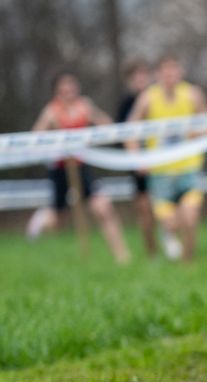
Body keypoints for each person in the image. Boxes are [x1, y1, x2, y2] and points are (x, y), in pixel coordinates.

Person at [27, 71, 130, 262]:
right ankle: (42, 219)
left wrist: (95, 133)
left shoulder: (85, 106)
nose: (68, 92)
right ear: (57, 92)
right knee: (59, 221)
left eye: (71, 87)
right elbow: (35, 137)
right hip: (60, 169)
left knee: (103, 207)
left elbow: (107, 125)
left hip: (81, 165)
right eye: (64, 88)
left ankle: (122, 256)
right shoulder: (52, 111)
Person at [129, 56, 207, 262]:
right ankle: (168, 235)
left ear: (180, 72)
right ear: (157, 75)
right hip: (160, 173)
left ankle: (188, 265)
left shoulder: (192, 94)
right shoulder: (148, 98)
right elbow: (130, 131)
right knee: (171, 223)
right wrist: (138, 159)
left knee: (190, 219)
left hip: (189, 168)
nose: (169, 75)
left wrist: (199, 133)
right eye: (165, 71)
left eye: (173, 70)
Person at [115, 59, 156, 256]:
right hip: (138, 164)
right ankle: (151, 251)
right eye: (137, 76)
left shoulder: (157, 97)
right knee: (145, 210)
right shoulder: (126, 103)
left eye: (144, 74)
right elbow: (121, 136)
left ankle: (169, 239)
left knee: (164, 208)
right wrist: (137, 160)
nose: (142, 79)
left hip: (161, 159)